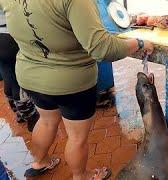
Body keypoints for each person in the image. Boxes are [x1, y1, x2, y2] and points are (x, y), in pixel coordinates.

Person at [0, 0, 153, 179]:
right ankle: (81, 175)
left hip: (31, 75)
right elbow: (102, 49)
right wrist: (140, 43)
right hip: (70, 82)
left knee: (47, 120)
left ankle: (40, 162)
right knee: (76, 137)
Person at [0, 10, 39, 132]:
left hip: (2, 37)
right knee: (18, 77)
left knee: (7, 71)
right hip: (8, 34)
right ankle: (31, 117)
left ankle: (19, 113)